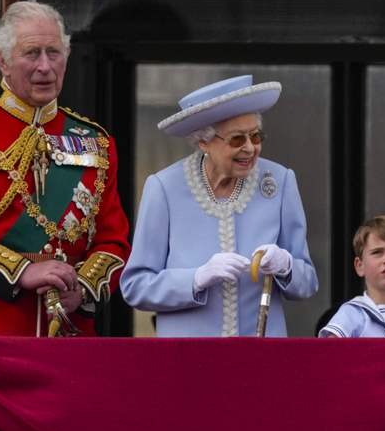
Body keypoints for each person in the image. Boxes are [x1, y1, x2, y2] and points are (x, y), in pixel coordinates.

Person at [0, 1, 130, 335]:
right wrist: (21, 272)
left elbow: (114, 241)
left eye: (54, 53)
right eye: (32, 53)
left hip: (69, 333)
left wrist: (82, 288)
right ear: (2, 61)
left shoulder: (96, 141)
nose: (45, 66)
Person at [120, 75, 318, 336]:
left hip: (259, 352)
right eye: (237, 139)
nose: (250, 148)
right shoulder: (164, 188)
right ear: (204, 142)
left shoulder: (279, 181)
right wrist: (196, 278)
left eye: (256, 136)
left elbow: (308, 283)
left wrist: (287, 266)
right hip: (189, 353)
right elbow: (136, 287)